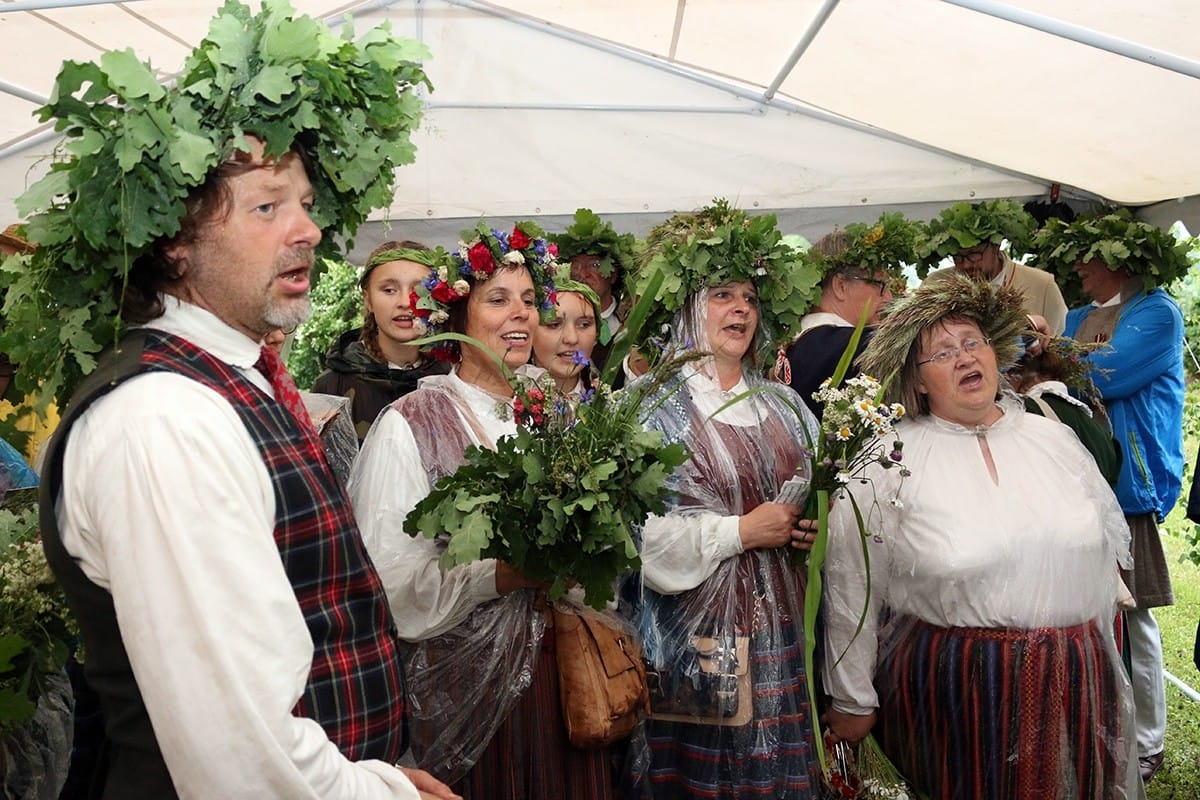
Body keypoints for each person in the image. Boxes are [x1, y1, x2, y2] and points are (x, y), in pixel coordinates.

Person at [25, 3, 455, 797]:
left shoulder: (233, 377)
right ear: (174, 242)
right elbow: (237, 754)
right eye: (266, 207)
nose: (310, 229)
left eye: (303, 202)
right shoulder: (163, 419)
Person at [822, 274, 1137, 799]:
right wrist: (853, 700)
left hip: (1077, 672)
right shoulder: (888, 460)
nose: (965, 358)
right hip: (962, 685)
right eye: (943, 353)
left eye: (973, 343)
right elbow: (852, 583)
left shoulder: (1052, 437)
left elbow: (1109, 548)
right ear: (917, 381)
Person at [349, 222, 618, 799]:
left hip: (566, 677)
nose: (519, 315)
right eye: (497, 300)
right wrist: (495, 575)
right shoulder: (413, 423)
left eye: (529, 301)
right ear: (459, 316)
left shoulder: (559, 415)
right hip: (467, 688)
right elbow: (386, 582)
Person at [625, 201, 822, 799]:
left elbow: (811, 498)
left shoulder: (785, 406)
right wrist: (740, 532)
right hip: (693, 637)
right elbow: (637, 539)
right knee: (705, 778)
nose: (741, 308)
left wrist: (805, 530)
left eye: (750, 298)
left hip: (781, 634)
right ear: (687, 308)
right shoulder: (650, 409)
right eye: (722, 295)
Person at [1055, 212, 1188, 785]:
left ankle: (1147, 741)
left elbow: (1105, 373)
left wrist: (1048, 354)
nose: (1079, 268)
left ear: (1118, 261)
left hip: (1127, 486)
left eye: (1089, 257)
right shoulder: (1081, 315)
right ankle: (1102, 721)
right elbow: (1027, 363)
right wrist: (1045, 352)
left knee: (1133, 617)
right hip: (1074, 481)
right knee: (1089, 611)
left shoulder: (1157, 313)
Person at [776, 213, 916, 417]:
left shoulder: (797, 343)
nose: (888, 297)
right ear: (840, 285)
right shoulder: (847, 345)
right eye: (880, 285)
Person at [311, 240, 450, 441]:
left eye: (418, 290)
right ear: (368, 300)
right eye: (389, 290)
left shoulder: (453, 379)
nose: (404, 302)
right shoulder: (332, 387)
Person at [921, 199, 1069, 334]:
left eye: (974, 254)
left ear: (996, 246)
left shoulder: (1042, 284)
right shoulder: (935, 284)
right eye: (958, 257)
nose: (965, 264)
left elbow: (1063, 343)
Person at [551, 208, 636, 374]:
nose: (582, 274)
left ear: (613, 275)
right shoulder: (552, 318)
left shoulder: (632, 323)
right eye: (576, 265)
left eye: (595, 265)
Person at [532, 275, 602, 394]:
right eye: (554, 325)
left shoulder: (608, 403)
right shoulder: (504, 400)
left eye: (584, 325)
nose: (571, 338)